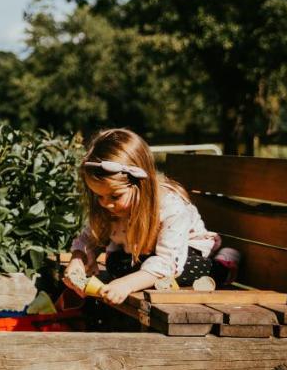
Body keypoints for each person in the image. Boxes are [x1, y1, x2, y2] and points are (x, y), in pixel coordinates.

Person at [63, 129, 221, 306]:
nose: (106, 204)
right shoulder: (112, 209)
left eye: (115, 196)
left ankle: (227, 263)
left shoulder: (170, 208)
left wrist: (127, 284)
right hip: (142, 252)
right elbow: (89, 238)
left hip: (182, 252)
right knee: (116, 265)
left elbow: (168, 261)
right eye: (99, 196)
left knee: (194, 270)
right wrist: (78, 259)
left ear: (141, 185)